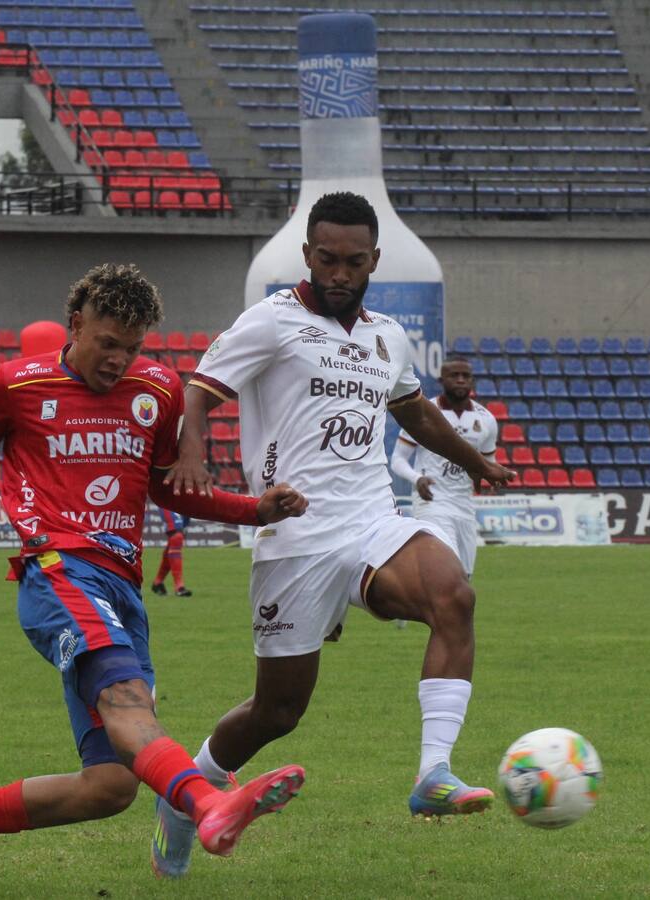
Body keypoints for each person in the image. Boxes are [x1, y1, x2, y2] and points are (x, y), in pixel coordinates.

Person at [0, 264, 309, 898]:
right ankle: (204, 804)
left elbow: (165, 486)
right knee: (126, 704)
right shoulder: (15, 386)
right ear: (75, 325)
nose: (119, 359)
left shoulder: (159, 390)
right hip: (57, 572)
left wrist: (254, 510)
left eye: (132, 347)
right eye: (107, 342)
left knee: (110, 786)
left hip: (120, 586)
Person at [150, 191, 513, 880]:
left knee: (454, 597)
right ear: (307, 255)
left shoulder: (388, 338)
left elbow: (417, 415)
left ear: (374, 259)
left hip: (374, 520)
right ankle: (183, 795)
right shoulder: (272, 321)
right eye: (326, 259)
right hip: (293, 534)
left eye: (353, 261)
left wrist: (478, 462)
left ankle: (433, 772)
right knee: (278, 711)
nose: (338, 273)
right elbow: (200, 388)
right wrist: (193, 452)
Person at [389, 353, 498, 580]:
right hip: (432, 502)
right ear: (442, 380)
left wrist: (490, 479)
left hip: (464, 505)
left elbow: (489, 463)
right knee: (447, 572)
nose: (460, 380)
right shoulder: (423, 413)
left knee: (465, 577)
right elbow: (397, 460)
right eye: (454, 375)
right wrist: (417, 478)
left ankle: (412, 599)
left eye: (465, 376)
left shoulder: (486, 419)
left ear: (472, 381)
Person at [151, 504, 192, 595]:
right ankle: (179, 587)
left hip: (186, 500)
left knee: (174, 542)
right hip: (168, 498)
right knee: (176, 536)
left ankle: (158, 582)